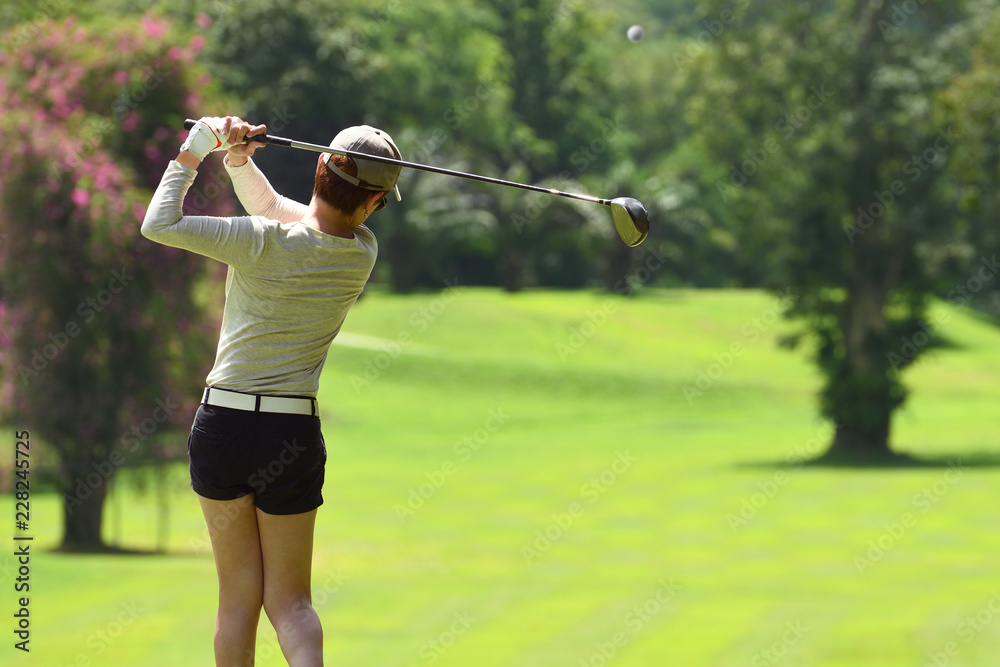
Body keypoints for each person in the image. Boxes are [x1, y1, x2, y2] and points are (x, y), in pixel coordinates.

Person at [141, 115, 403, 667]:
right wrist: (238, 160)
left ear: (318, 167)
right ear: (375, 203)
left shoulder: (256, 240)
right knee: (292, 603)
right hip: (292, 431)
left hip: (224, 426)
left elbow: (159, 224)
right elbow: (291, 217)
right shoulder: (362, 251)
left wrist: (196, 150)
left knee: (237, 601)